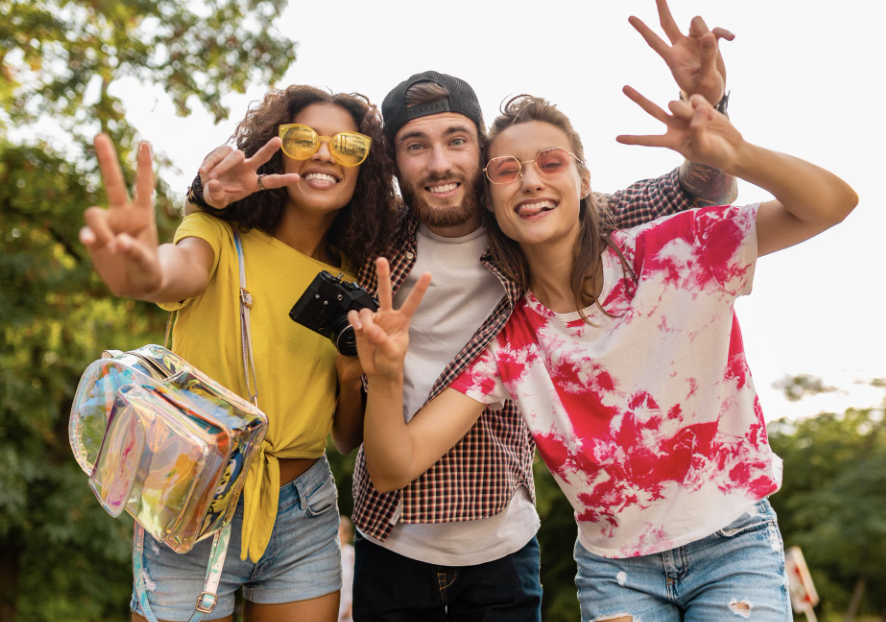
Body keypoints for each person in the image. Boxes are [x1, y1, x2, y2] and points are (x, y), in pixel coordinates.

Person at [347, 81, 858, 622]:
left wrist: (738, 156)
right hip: (616, 572)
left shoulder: (679, 250)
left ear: (583, 179)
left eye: (549, 161)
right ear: (490, 201)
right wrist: (383, 377)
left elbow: (833, 204)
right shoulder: (511, 342)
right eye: (507, 171)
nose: (530, 180)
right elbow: (392, 467)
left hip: (732, 542)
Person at [347, 4, 737, 621]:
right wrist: (207, 196)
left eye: (456, 141)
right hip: (387, 534)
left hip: (502, 538)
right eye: (415, 147)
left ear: (482, 150)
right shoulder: (370, 243)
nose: (440, 163)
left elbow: (698, 190)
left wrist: (711, 105)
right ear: (394, 163)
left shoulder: (539, 225)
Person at [79, 86, 397, 622]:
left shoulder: (352, 282)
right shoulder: (218, 234)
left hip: (304, 510)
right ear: (277, 148)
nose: (324, 153)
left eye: (346, 144)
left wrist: (351, 375)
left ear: (363, 168)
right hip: (190, 494)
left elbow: (344, 440)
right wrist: (136, 269)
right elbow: (169, 272)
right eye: (304, 138)